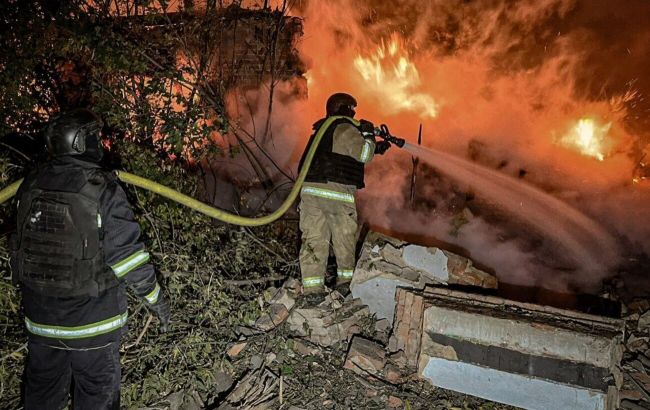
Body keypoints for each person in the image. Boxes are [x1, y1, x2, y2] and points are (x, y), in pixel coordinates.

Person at [10, 108, 170, 409]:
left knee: (42, 396)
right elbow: (128, 258)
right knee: (97, 396)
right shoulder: (101, 188)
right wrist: (156, 300)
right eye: (96, 136)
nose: (101, 143)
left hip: (41, 321)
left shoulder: (30, 183)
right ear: (81, 141)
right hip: (92, 324)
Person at [297, 93, 391, 303]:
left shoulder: (322, 130)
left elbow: (343, 152)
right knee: (344, 240)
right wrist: (368, 135)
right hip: (336, 193)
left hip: (311, 192)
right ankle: (345, 285)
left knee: (313, 240)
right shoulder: (346, 128)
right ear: (345, 109)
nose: (355, 113)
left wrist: (377, 147)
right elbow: (364, 155)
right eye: (352, 109)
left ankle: (312, 291)